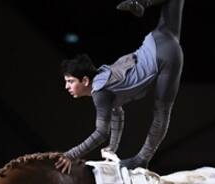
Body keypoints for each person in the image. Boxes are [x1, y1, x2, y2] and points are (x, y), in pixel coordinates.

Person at [55, 0, 184, 174]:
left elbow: (101, 132)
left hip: (165, 58)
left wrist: (71, 155)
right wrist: (112, 148)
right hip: (156, 38)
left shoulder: (100, 92)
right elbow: (117, 114)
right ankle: (142, 3)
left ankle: (142, 159)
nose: (66, 86)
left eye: (70, 81)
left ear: (85, 81)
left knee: (161, 113)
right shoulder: (104, 80)